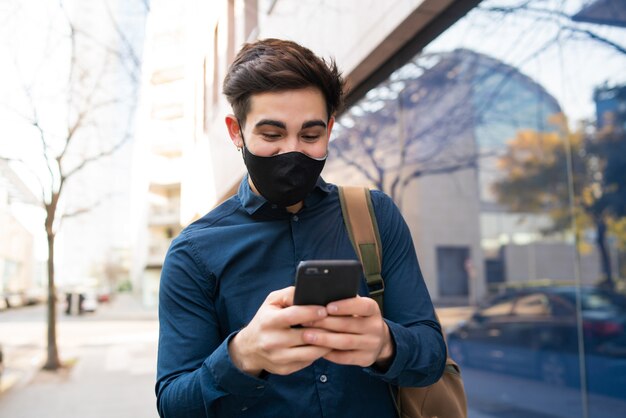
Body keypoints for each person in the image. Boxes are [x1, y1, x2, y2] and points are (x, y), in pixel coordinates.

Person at [156, 38, 446, 417]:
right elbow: (174, 405)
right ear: (236, 132)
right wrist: (242, 355)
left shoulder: (375, 216)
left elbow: (432, 357)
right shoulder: (193, 252)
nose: (292, 151)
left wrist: (387, 345)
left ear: (329, 128)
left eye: (310, 135)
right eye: (272, 135)